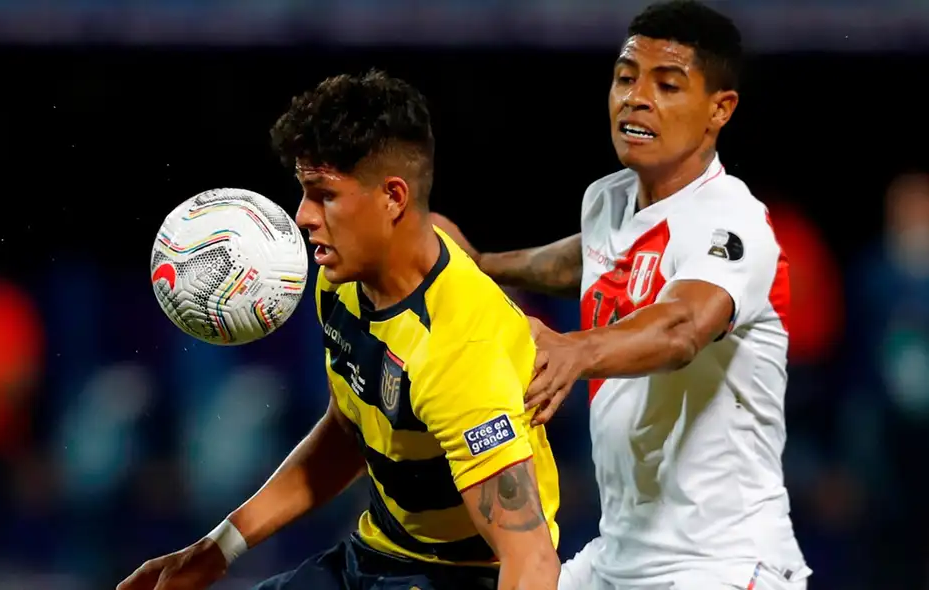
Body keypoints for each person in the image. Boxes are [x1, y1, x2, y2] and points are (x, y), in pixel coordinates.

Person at [118, 70, 561, 590]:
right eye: (304, 192)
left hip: (455, 578)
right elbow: (350, 429)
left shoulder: (458, 348)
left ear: (393, 197)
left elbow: (531, 561)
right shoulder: (343, 282)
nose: (303, 216)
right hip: (374, 555)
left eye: (323, 194)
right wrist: (218, 548)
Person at [432, 1, 811, 589]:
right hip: (619, 555)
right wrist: (481, 266)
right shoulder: (609, 200)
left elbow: (683, 327)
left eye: (667, 84)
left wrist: (576, 350)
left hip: (724, 564)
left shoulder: (735, 223)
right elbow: (585, 259)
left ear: (720, 108)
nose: (636, 98)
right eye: (626, 77)